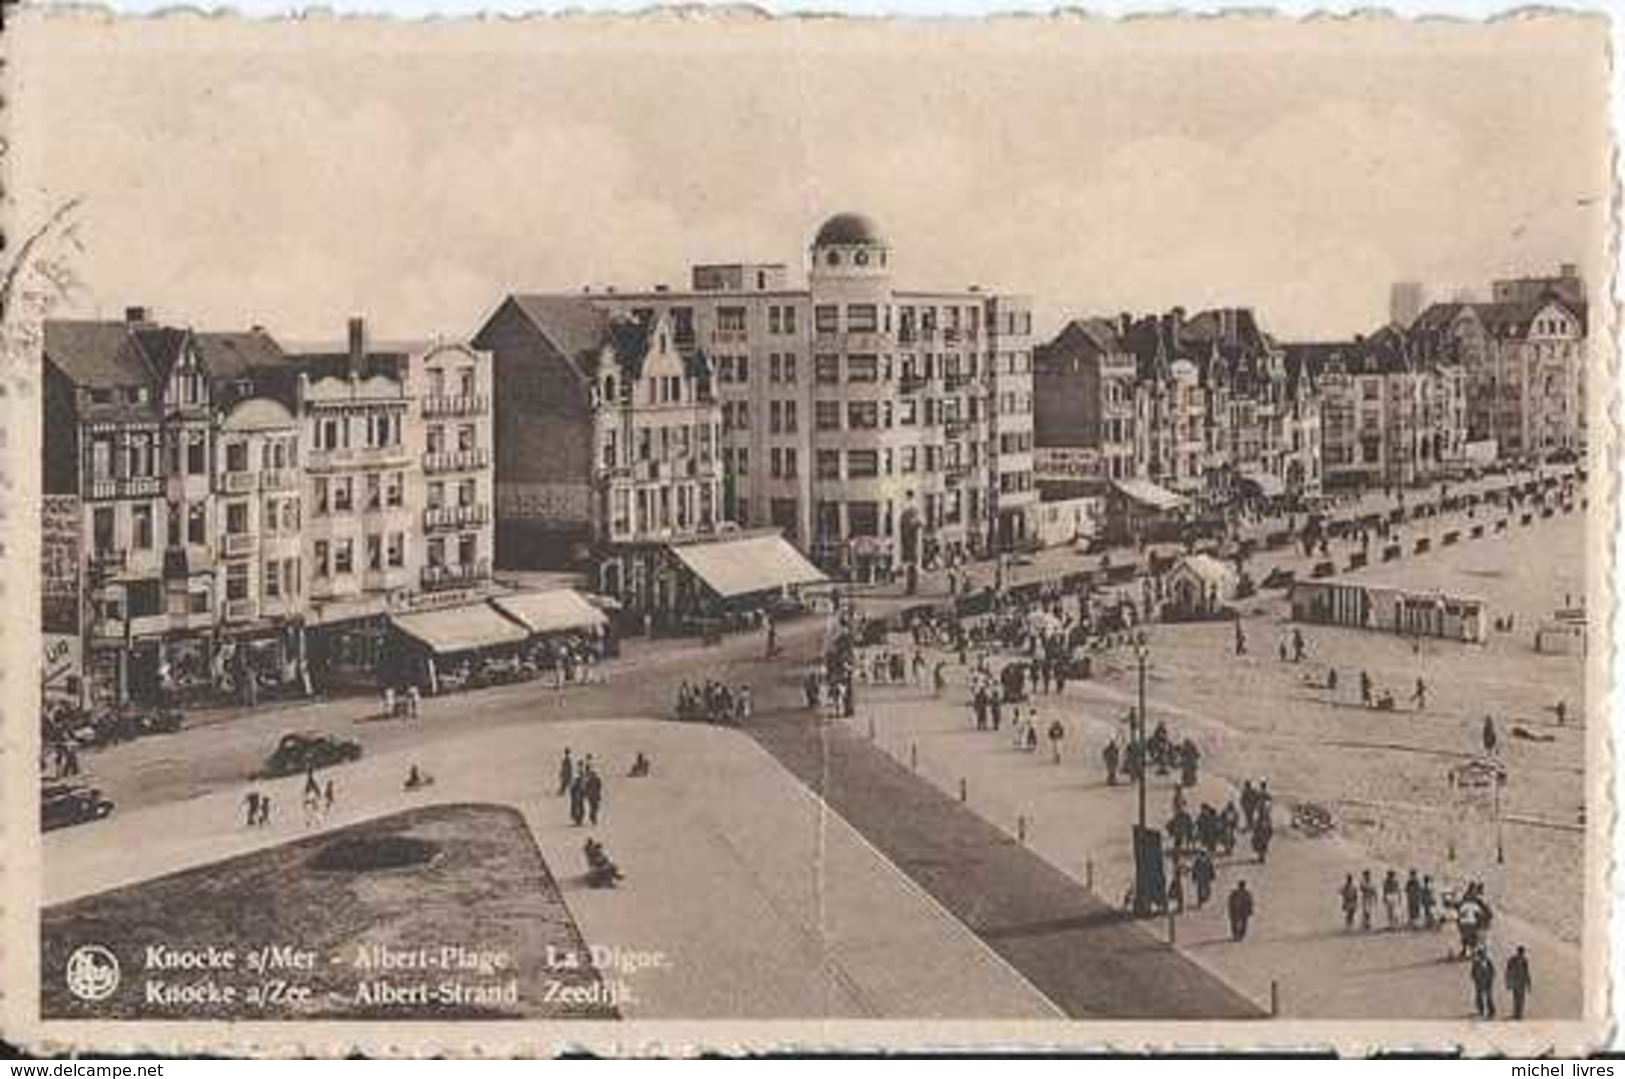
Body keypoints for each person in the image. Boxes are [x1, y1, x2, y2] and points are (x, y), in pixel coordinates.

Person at [1506, 946, 1532, 1020]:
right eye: (1521, 952)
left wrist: (1528, 984)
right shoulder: (1512, 960)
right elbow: (1508, 972)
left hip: (1522, 982)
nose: (1521, 954)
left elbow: (1527, 972)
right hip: (1515, 982)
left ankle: (1519, 1014)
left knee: (1521, 999)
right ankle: (1516, 1013)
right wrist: (1508, 982)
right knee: (1516, 998)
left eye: (1522, 953)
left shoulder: (1524, 961)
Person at [1471, 946, 1498, 1019]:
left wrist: (1490, 980)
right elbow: (1473, 972)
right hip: (1479, 982)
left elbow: (1493, 971)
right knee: (1479, 997)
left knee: (1489, 997)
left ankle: (1491, 1011)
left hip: (1487, 982)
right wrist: (1475, 980)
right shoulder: (1476, 962)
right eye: (1480, 954)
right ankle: (1481, 1010)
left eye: (1482, 954)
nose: (1481, 955)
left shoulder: (1488, 961)